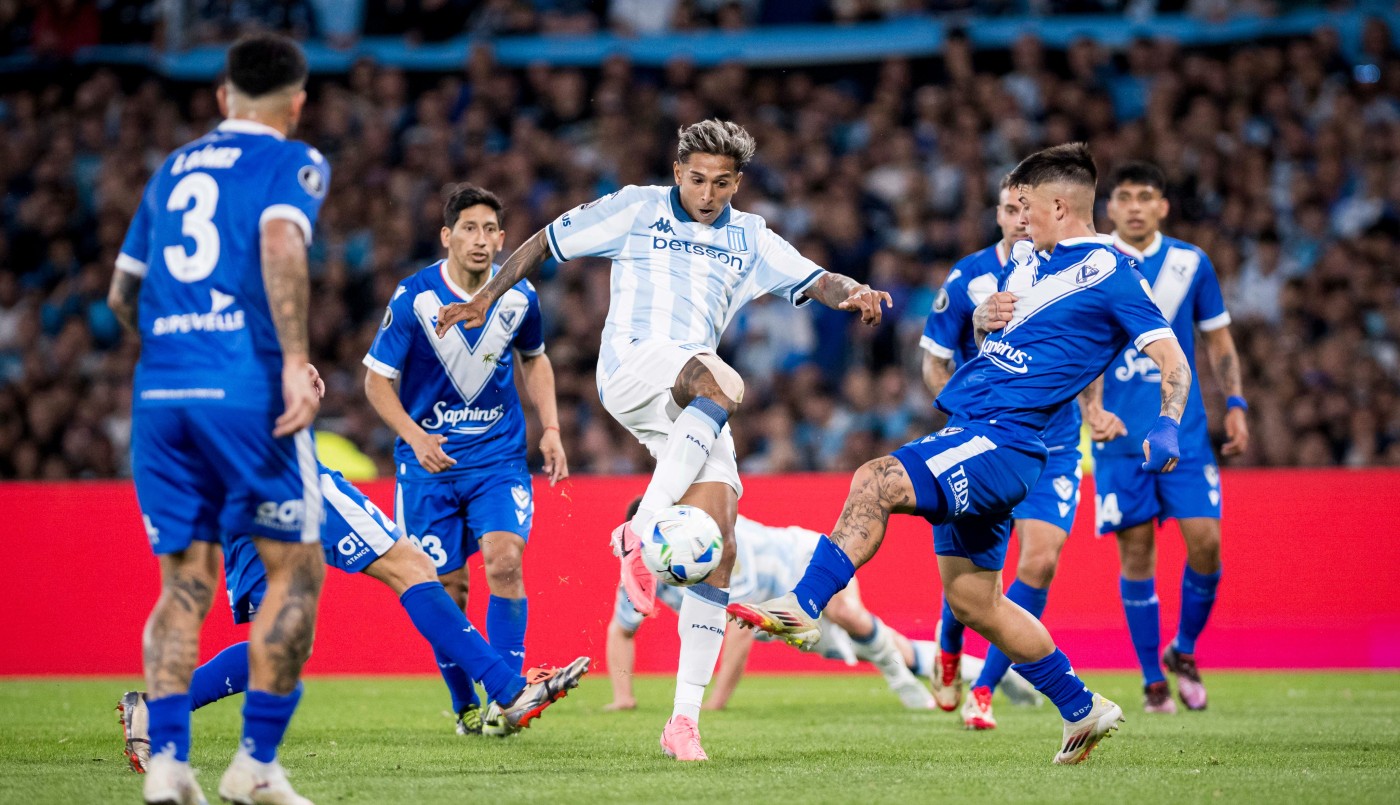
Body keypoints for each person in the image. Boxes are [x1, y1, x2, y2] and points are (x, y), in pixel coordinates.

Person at [433, 119, 891, 761]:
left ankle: (682, 722)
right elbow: (544, 241)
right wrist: (487, 296)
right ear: (678, 173)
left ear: (738, 183)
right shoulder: (636, 208)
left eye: (722, 183)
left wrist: (857, 292)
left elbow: (816, 279)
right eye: (697, 179)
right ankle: (639, 533)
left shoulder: (751, 237)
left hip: (686, 401)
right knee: (724, 383)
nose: (707, 193)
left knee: (722, 547)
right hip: (634, 364)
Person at [729, 142, 1194, 765]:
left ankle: (803, 606)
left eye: (1025, 207)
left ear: (1060, 205)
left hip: (1003, 438)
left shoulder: (1113, 273)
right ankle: (1083, 709)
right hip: (976, 425)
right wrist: (982, 320)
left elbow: (1173, 359)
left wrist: (1166, 425)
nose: (1016, 219)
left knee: (876, 479)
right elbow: (1004, 338)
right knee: (975, 602)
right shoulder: (1028, 259)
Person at [117, 367, 589, 775]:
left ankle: (157, 711)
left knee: (283, 643)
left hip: (224, 481)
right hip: (283, 471)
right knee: (411, 566)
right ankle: (508, 690)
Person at [107, 33, 331, 805]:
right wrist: (293, 357)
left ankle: (168, 765)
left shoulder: (170, 172)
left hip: (161, 394)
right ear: (296, 104)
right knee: (296, 569)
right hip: (245, 389)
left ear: (219, 98)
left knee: (183, 583)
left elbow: (121, 298)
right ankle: (256, 764)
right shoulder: (288, 162)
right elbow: (278, 240)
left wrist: (177, 345)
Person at [363, 184, 568, 735]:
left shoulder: (519, 295)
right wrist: (414, 434)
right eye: (469, 230)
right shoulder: (414, 298)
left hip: (498, 460)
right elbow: (377, 382)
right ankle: (465, 706)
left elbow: (535, 360)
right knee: (447, 589)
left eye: (490, 231)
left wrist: (550, 428)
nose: (481, 241)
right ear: (447, 236)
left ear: (503, 239)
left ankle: (510, 702)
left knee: (504, 559)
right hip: (427, 465)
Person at [605, 503, 1044, 712]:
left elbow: (739, 629)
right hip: (778, 618)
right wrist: (623, 696)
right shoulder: (645, 573)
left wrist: (715, 703)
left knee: (846, 614)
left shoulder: (713, 548)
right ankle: (997, 675)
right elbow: (621, 630)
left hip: (802, 559)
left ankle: (900, 680)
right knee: (898, 649)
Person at [920, 176, 1084, 730]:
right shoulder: (968, 278)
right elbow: (934, 359)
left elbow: (1095, 345)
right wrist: (957, 415)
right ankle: (948, 649)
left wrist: (1101, 406)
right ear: (997, 214)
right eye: (1011, 208)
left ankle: (984, 689)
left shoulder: (1073, 270)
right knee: (973, 574)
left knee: (1039, 560)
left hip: (1057, 440)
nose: (1020, 218)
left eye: (1028, 208)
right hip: (985, 437)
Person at [1088, 161, 1249, 714]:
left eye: (1145, 196)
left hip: (1186, 433)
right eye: (1124, 196)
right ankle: (1152, 675)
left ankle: (1185, 648)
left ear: (1162, 206)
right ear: (1109, 208)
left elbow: (1219, 341)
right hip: (1120, 439)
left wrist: (1236, 402)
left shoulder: (1190, 263)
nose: (1134, 206)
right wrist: (1090, 410)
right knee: (1138, 554)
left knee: (1206, 544)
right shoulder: (1089, 262)